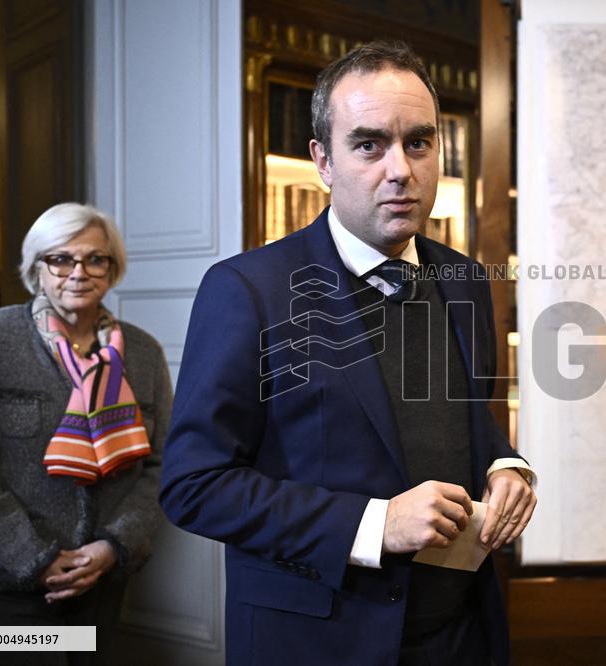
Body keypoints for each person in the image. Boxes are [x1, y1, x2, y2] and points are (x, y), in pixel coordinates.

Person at [160, 40, 536, 665]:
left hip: (462, 637)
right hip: (317, 641)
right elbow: (194, 485)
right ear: (322, 161)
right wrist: (373, 525)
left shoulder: (466, 278)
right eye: (369, 145)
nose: (401, 170)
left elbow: (465, 422)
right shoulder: (245, 290)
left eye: (419, 142)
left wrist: (507, 466)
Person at [0, 203, 172, 665]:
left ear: (112, 268)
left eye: (95, 258)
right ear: (36, 268)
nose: (78, 272)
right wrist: (36, 556)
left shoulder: (142, 352)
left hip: (102, 577)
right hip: (4, 581)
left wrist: (112, 546)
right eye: (60, 258)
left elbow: (164, 464)